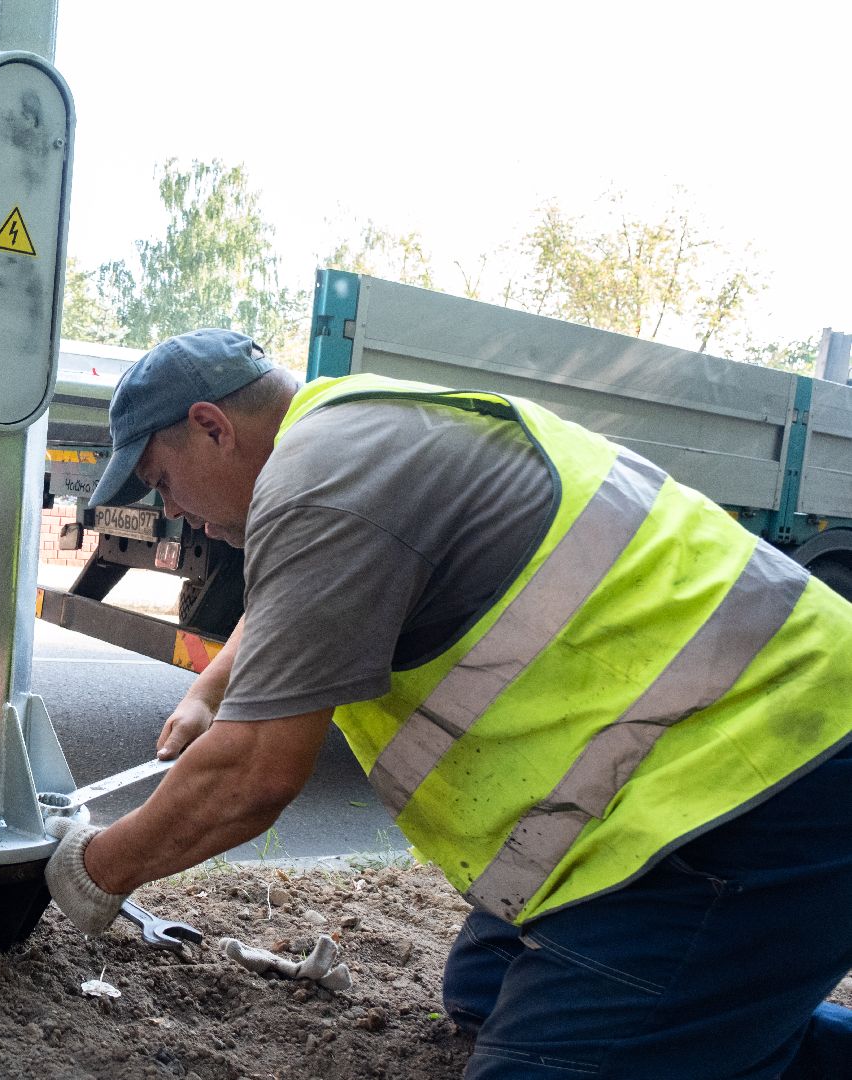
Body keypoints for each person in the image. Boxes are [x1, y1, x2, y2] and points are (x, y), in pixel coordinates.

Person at [43, 328, 852, 1078]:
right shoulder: (350, 437)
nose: (171, 508)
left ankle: (726, 1009)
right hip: (697, 770)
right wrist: (206, 691)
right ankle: (733, 1015)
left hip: (768, 783)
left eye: (162, 480)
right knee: (484, 994)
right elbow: (294, 601)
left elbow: (252, 777)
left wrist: (87, 871)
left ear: (213, 427)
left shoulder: (323, 484)